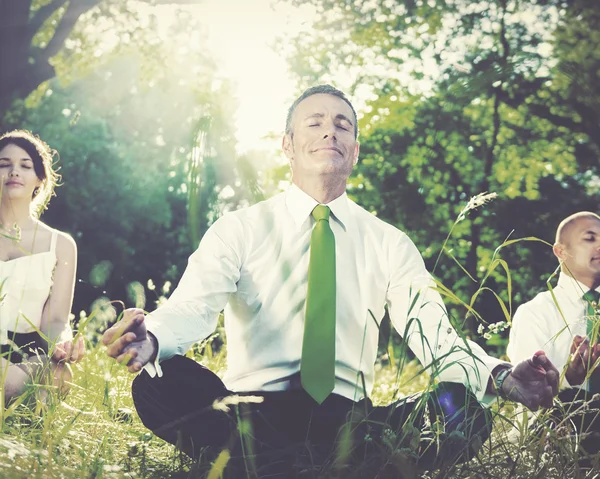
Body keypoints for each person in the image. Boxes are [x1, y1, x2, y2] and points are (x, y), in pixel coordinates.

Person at [103, 85, 558, 476]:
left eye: (343, 124)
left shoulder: (389, 242)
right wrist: (152, 339)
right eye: (314, 122)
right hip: (250, 414)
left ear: (355, 150)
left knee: (465, 413)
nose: (329, 131)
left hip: (352, 422)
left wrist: (501, 376)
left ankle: (288, 468)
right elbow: (193, 306)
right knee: (158, 382)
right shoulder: (239, 228)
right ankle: (310, 467)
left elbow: (436, 337)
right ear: (287, 145)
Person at [0, 129, 85, 405]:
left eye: (25, 166)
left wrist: (63, 345)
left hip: (27, 352)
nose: (14, 171)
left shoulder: (61, 244)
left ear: (39, 178)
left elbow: (56, 321)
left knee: (60, 374)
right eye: (4, 164)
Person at [508, 211, 600, 462]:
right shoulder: (535, 313)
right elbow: (527, 395)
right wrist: (570, 378)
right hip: (551, 440)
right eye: (590, 238)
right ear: (561, 251)